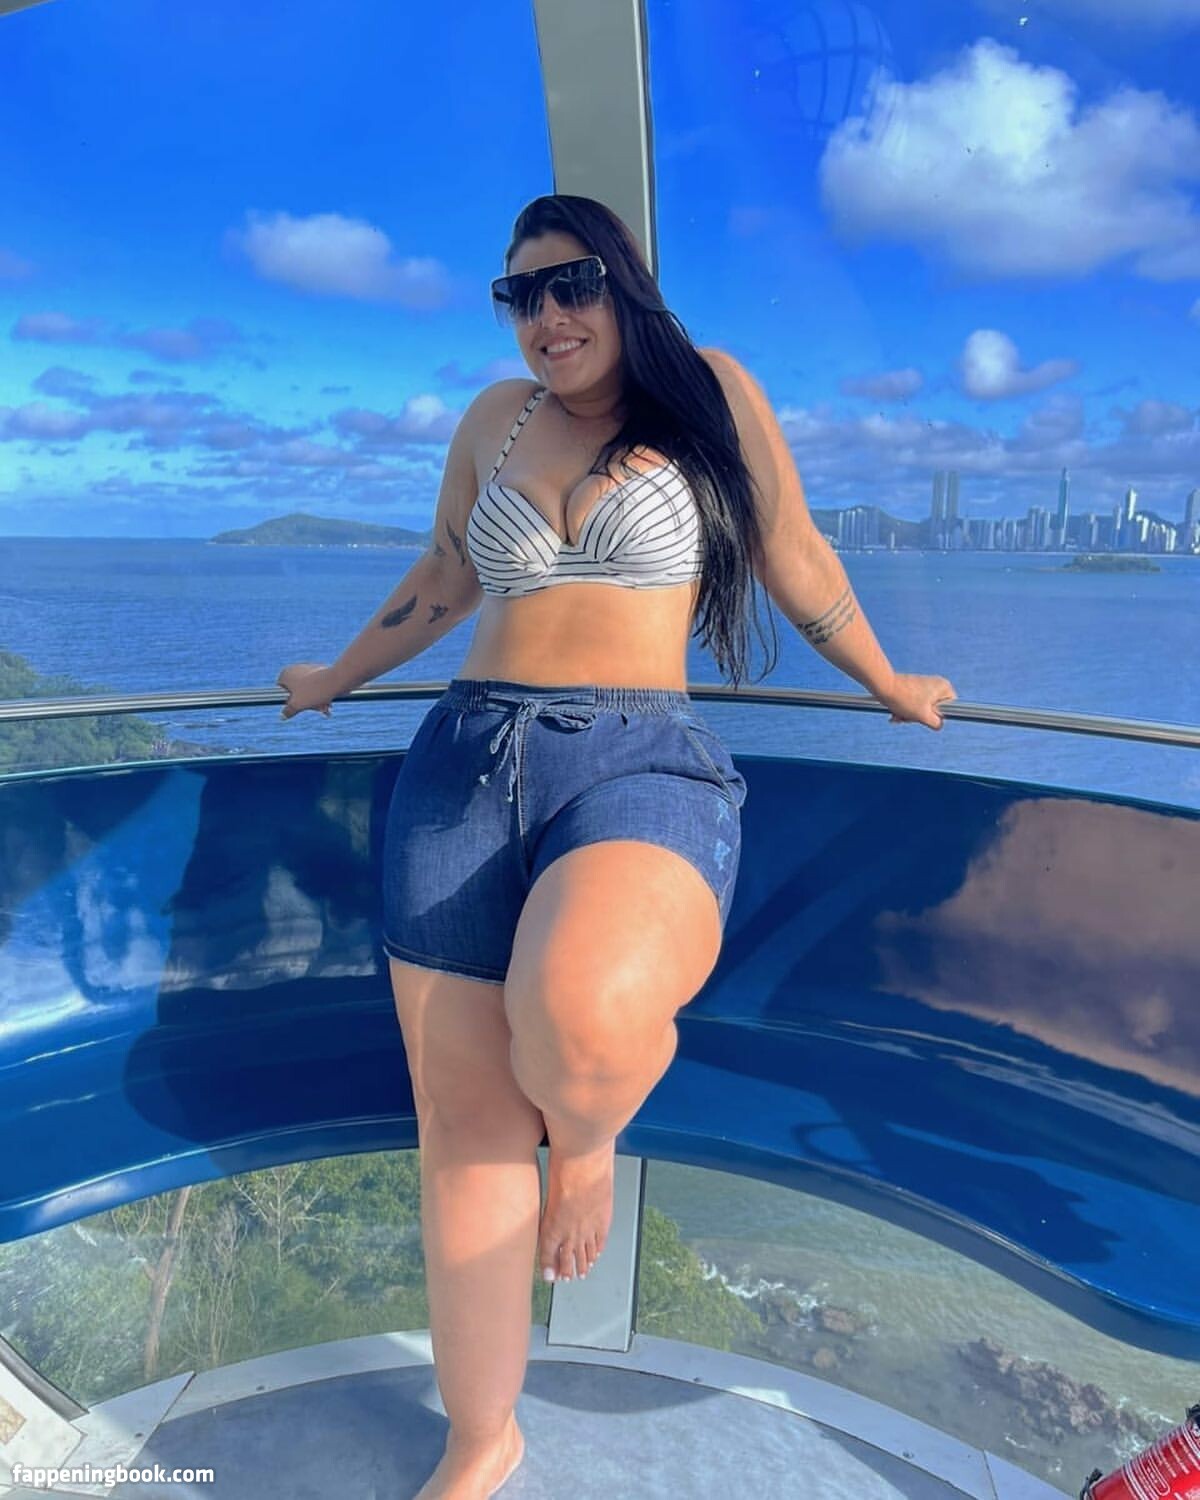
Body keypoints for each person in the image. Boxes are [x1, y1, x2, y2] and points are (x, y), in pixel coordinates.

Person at [277, 193, 955, 1500]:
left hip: (640, 760)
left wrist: (888, 681)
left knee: (581, 1015)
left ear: (624, 284)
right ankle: (483, 1437)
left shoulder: (711, 392)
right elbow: (444, 576)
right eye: (520, 294)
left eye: (572, 282)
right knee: (465, 1129)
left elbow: (795, 554)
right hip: (464, 760)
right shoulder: (496, 419)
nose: (547, 314)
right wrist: (337, 677)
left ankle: (587, 1147)